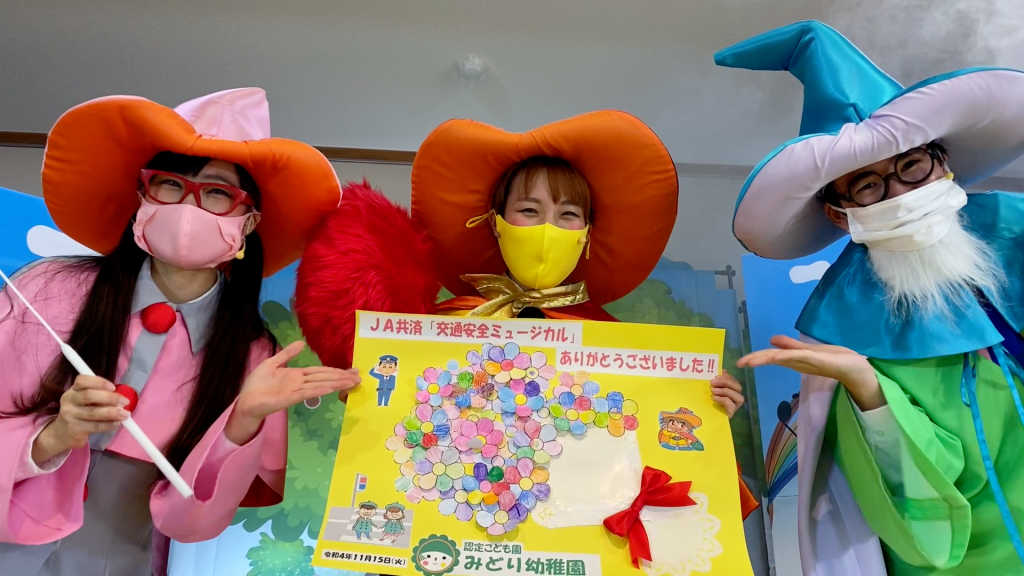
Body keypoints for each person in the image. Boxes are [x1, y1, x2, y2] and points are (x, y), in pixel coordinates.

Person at [294, 111, 758, 519]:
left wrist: (707, 407)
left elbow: (666, 457)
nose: (547, 228)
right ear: (496, 223)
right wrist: (365, 387)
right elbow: (397, 421)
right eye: (529, 210)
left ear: (588, 233)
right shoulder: (438, 327)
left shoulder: (618, 344)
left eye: (568, 214)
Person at [0, 88, 360, 576]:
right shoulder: (49, 289)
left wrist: (242, 421)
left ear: (248, 222)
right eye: (170, 184)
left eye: (218, 192)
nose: (189, 205)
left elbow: (192, 522)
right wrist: (52, 437)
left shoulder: (255, 356)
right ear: (142, 196)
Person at [717, 20, 1024, 575]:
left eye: (911, 166)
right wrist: (866, 384)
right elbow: (924, 490)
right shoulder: (848, 323)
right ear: (841, 214)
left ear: (944, 163)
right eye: (868, 185)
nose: (900, 193)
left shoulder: (1014, 232)